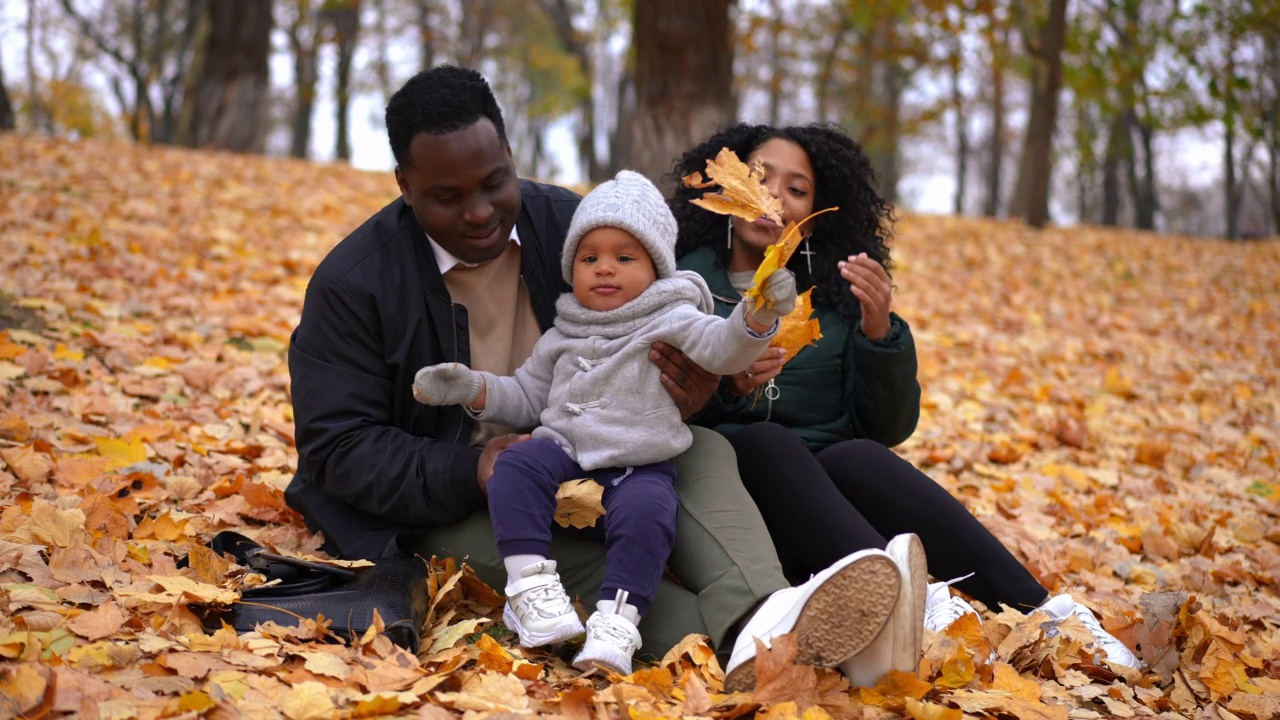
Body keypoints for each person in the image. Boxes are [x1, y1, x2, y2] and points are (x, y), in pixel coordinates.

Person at [284, 64, 914, 687]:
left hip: (612, 444)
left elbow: (676, 323)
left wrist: (700, 387)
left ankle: (764, 605)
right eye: (447, 197)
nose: (479, 212)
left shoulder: (575, 227)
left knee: (706, 450)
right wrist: (471, 469)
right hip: (460, 490)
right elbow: (336, 449)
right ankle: (777, 647)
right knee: (582, 569)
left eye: (493, 182)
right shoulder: (355, 284)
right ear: (405, 183)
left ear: (508, 151)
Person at [670, 121, 1142, 671]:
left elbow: (887, 426)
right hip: (744, 514)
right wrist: (726, 386)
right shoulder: (683, 284)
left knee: (859, 454)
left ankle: (1046, 611)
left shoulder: (832, 294)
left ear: (817, 213)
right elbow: (660, 408)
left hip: (833, 511)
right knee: (764, 442)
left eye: (796, 189)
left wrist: (878, 333)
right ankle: (913, 603)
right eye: (758, 176)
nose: (772, 195)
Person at [409, 169, 797, 674]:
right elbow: (527, 393)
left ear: (655, 267)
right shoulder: (565, 329)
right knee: (517, 465)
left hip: (639, 462)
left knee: (647, 515)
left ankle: (619, 622)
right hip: (565, 451)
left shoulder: (673, 316)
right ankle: (531, 585)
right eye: (590, 258)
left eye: (624, 257)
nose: (604, 269)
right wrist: (471, 387)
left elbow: (722, 350)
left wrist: (757, 318)